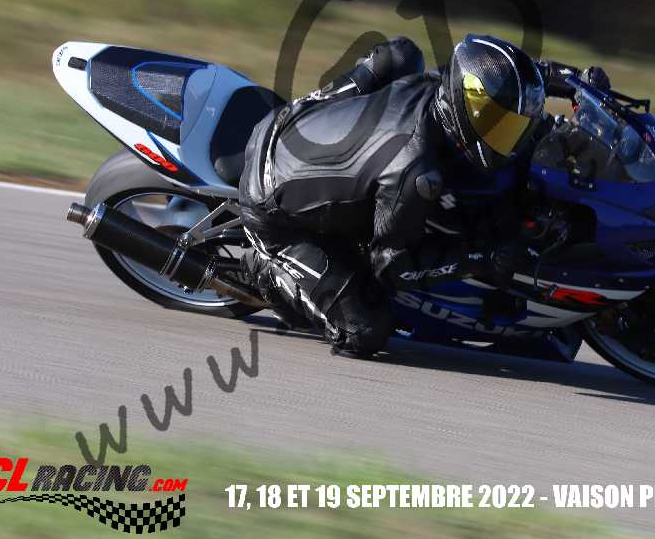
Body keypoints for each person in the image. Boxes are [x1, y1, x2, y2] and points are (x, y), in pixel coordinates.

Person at [238, 33, 607, 358]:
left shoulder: (450, 87)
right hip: (270, 200)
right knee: (365, 330)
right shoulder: (416, 174)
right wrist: (479, 257)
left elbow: (510, 76)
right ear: (468, 111)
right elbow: (392, 266)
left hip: (304, 125)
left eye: (514, 128)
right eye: (502, 128)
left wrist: (574, 82)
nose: (512, 141)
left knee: (402, 54)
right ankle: (263, 268)